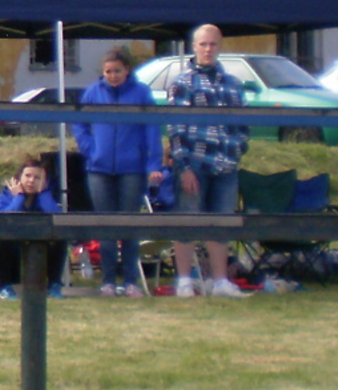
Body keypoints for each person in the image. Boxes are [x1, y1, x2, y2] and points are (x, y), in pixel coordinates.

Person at [166, 24, 251, 298]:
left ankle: (220, 281)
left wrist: (237, 149)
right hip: (194, 164)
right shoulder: (182, 83)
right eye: (203, 44)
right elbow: (175, 129)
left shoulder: (233, 84)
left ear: (220, 46)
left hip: (226, 164)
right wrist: (183, 167)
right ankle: (184, 280)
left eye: (213, 44)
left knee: (222, 224)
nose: (208, 49)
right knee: (187, 221)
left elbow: (244, 123)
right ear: (194, 47)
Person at [73, 47, 164, 297]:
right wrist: (91, 149)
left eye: (117, 71)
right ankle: (108, 281)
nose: (113, 76)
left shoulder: (141, 93)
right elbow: (79, 123)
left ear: (127, 70)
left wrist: (153, 164)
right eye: (108, 72)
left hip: (132, 169)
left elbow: (152, 129)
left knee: (130, 226)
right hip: (99, 169)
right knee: (106, 226)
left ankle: (131, 281)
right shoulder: (93, 93)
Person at [0, 158, 67, 300]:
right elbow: (4, 220)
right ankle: (5, 287)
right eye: (28, 176)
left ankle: (54, 286)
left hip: (37, 251)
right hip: (9, 253)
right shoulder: (4, 197)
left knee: (59, 240)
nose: (31, 181)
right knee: (2, 240)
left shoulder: (46, 197)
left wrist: (43, 194)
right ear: (19, 178)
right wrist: (19, 197)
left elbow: (56, 217)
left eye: (37, 178)